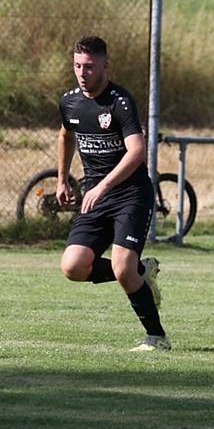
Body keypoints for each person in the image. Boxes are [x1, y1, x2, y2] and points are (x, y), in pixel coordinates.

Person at [57, 36, 169, 352]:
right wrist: (62, 179)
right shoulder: (69, 101)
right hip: (97, 197)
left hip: (130, 194)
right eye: (78, 65)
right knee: (73, 266)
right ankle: (142, 273)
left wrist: (104, 185)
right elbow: (65, 134)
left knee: (122, 267)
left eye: (90, 66)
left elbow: (137, 152)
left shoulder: (120, 102)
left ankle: (157, 338)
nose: (82, 72)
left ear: (105, 65)